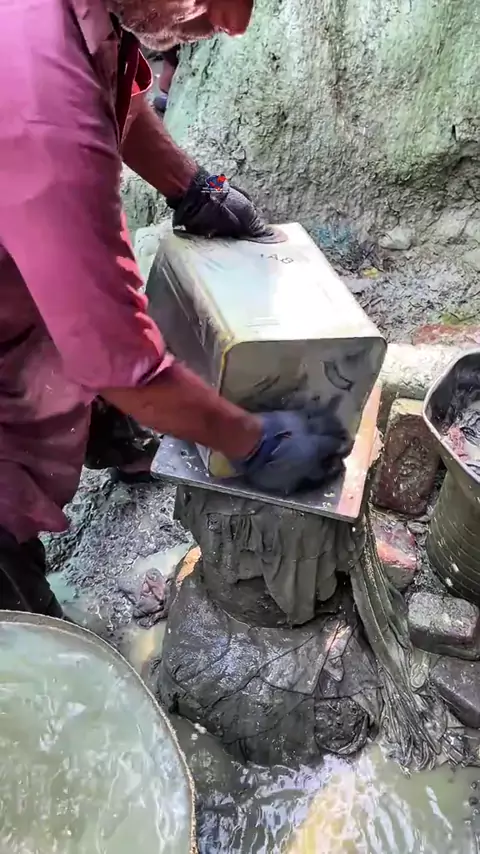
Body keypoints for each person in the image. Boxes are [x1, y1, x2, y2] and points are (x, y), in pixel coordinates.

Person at [0, 0, 350, 618]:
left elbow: (117, 97)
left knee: (85, 312)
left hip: (22, 267)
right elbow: (118, 360)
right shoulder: (36, 92)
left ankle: (118, 436)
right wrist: (251, 440)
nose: (235, 26)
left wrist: (191, 187)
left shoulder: (90, 18)